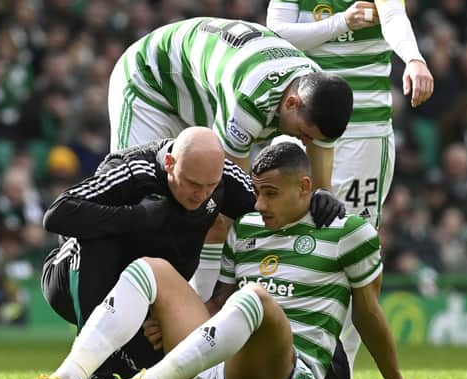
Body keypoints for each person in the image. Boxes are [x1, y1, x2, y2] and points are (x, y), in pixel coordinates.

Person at [3, 142, 411, 379]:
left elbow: (368, 313)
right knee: (151, 270)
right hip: (212, 368)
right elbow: (217, 304)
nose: (258, 203)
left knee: (254, 299)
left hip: (283, 378)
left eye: (271, 194)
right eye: (258, 192)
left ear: (305, 187)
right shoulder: (247, 228)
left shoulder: (350, 231)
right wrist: (174, 321)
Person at [107, 17, 354, 300]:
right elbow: (233, 198)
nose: (305, 142)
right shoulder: (252, 97)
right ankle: (129, 309)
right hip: (151, 86)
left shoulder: (319, 94)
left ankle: (192, 316)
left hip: (203, 96)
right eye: (303, 133)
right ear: (291, 103)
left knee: (210, 208)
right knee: (150, 203)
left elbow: (319, 184)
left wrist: (321, 196)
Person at [266, 0, 434, 379]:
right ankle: (291, 358)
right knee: (291, 236)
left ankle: (340, 373)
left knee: (354, 243)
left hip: (365, 132)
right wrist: (343, 22)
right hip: (301, 124)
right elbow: (277, 33)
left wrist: (414, 59)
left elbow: (393, 16)